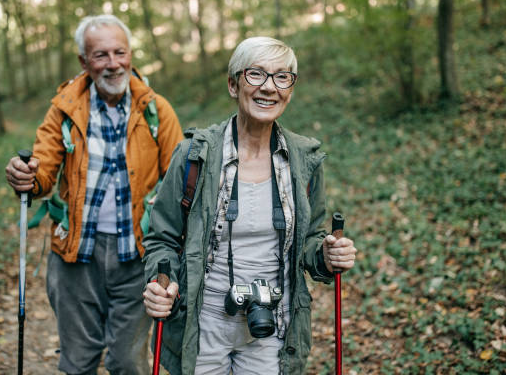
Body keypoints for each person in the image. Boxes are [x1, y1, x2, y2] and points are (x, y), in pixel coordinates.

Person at [142, 36, 357, 374]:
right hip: (203, 323)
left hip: (273, 324)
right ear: (233, 84)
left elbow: (311, 241)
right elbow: (162, 239)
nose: (269, 87)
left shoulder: (304, 161)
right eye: (256, 74)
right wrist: (161, 282)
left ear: (291, 88)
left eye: (282, 77)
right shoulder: (195, 155)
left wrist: (328, 257)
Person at [5, 14, 183, 375]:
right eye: (101, 55)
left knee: (128, 363)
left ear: (131, 55)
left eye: (120, 52)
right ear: (84, 62)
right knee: (78, 361)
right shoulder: (65, 109)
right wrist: (26, 177)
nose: (113, 63)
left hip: (137, 255)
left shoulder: (157, 110)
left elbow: (180, 180)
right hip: (76, 257)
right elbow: (43, 171)